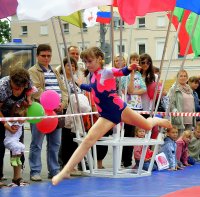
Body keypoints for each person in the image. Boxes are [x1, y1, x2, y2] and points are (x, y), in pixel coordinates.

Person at [52, 46, 172, 185]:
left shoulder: (107, 71)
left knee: (146, 125)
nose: (87, 65)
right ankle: (67, 170)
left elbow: (120, 72)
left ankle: (157, 120)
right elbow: (93, 89)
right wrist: (81, 85)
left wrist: (130, 68)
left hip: (120, 110)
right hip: (106, 116)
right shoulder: (93, 76)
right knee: (88, 140)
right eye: (85, 62)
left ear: (99, 59)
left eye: (90, 61)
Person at [28, 44, 68, 181]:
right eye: (43, 56)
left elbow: (64, 90)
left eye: (48, 56)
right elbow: (36, 90)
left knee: (55, 143)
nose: (46, 58)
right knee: (36, 143)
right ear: (37, 56)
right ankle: (35, 171)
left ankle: (54, 170)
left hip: (56, 112)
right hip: (41, 111)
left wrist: (62, 103)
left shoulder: (55, 71)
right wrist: (51, 103)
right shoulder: (32, 71)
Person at [0, 66, 34, 186]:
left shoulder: (28, 82)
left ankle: (17, 177)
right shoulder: (2, 86)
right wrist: (6, 125)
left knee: (18, 147)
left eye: (21, 88)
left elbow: (29, 94)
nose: (18, 91)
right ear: (10, 82)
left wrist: (28, 100)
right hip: (2, 114)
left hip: (16, 116)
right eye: (15, 88)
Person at [121, 52, 146, 168]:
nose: (135, 61)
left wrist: (134, 92)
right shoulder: (124, 74)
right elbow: (129, 89)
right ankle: (126, 161)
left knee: (137, 134)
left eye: (137, 59)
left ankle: (138, 159)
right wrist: (131, 74)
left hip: (138, 107)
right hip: (128, 108)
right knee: (128, 134)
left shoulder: (139, 75)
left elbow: (144, 89)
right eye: (133, 59)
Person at [168, 70, 195, 136]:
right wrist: (175, 111)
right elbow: (170, 102)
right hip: (179, 119)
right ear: (177, 77)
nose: (183, 78)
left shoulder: (189, 89)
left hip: (189, 118)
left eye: (185, 76)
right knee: (179, 140)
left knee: (187, 140)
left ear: (187, 78)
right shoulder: (174, 88)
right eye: (181, 76)